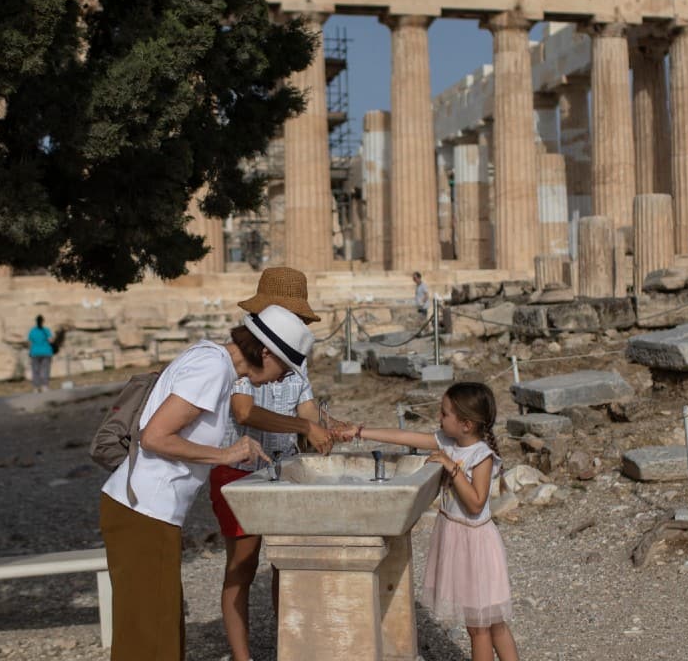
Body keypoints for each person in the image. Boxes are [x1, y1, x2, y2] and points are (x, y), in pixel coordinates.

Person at [99, 304, 313, 661]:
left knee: (158, 631)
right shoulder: (213, 368)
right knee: (150, 640)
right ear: (264, 352)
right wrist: (226, 455)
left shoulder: (209, 357)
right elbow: (154, 436)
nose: (282, 379)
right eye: (283, 368)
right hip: (144, 512)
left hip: (145, 512)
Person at [336, 382, 519, 661]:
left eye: (445, 414)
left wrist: (451, 467)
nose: (439, 418)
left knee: (482, 627)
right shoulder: (449, 441)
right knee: (487, 623)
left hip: (476, 546)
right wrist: (361, 431)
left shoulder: (481, 456)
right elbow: (405, 436)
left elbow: (475, 503)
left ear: (466, 424)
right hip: (457, 539)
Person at [210, 267, 337, 661]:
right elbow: (244, 412)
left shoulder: (296, 361)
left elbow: (309, 413)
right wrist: (305, 425)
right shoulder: (243, 356)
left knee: (288, 565)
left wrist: (330, 428)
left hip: (286, 471)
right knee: (243, 566)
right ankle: (242, 656)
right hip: (241, 471)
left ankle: (291, 647)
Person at [27, 315, 54, 392]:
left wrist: (30, 351)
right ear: (43, 321)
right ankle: (45, 386)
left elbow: (29, 343)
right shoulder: (46, 330)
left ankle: (36, 387)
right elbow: (51, 341)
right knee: (45, 370)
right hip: (46, 352)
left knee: (35, 370)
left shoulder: (32, 331)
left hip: (35, 352)